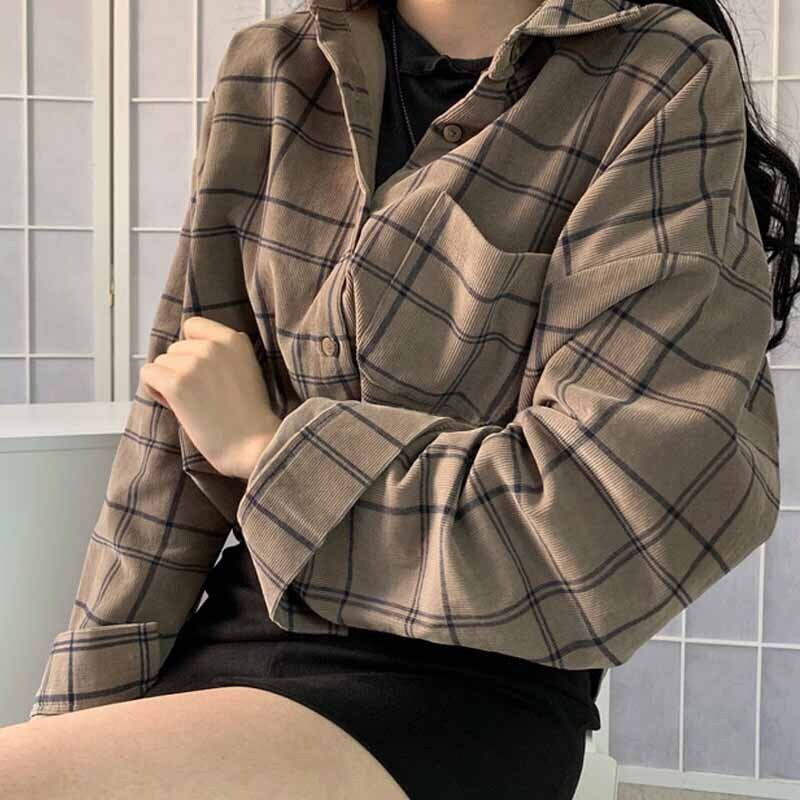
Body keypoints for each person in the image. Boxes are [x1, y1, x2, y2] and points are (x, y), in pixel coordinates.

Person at [1, 1, 793, 798]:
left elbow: (596, 514)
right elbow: (165, 452)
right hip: (239, 626)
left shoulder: (655, 75)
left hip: (467, 679)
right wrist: (67, 718)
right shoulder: (272, 68)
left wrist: (266, 451)